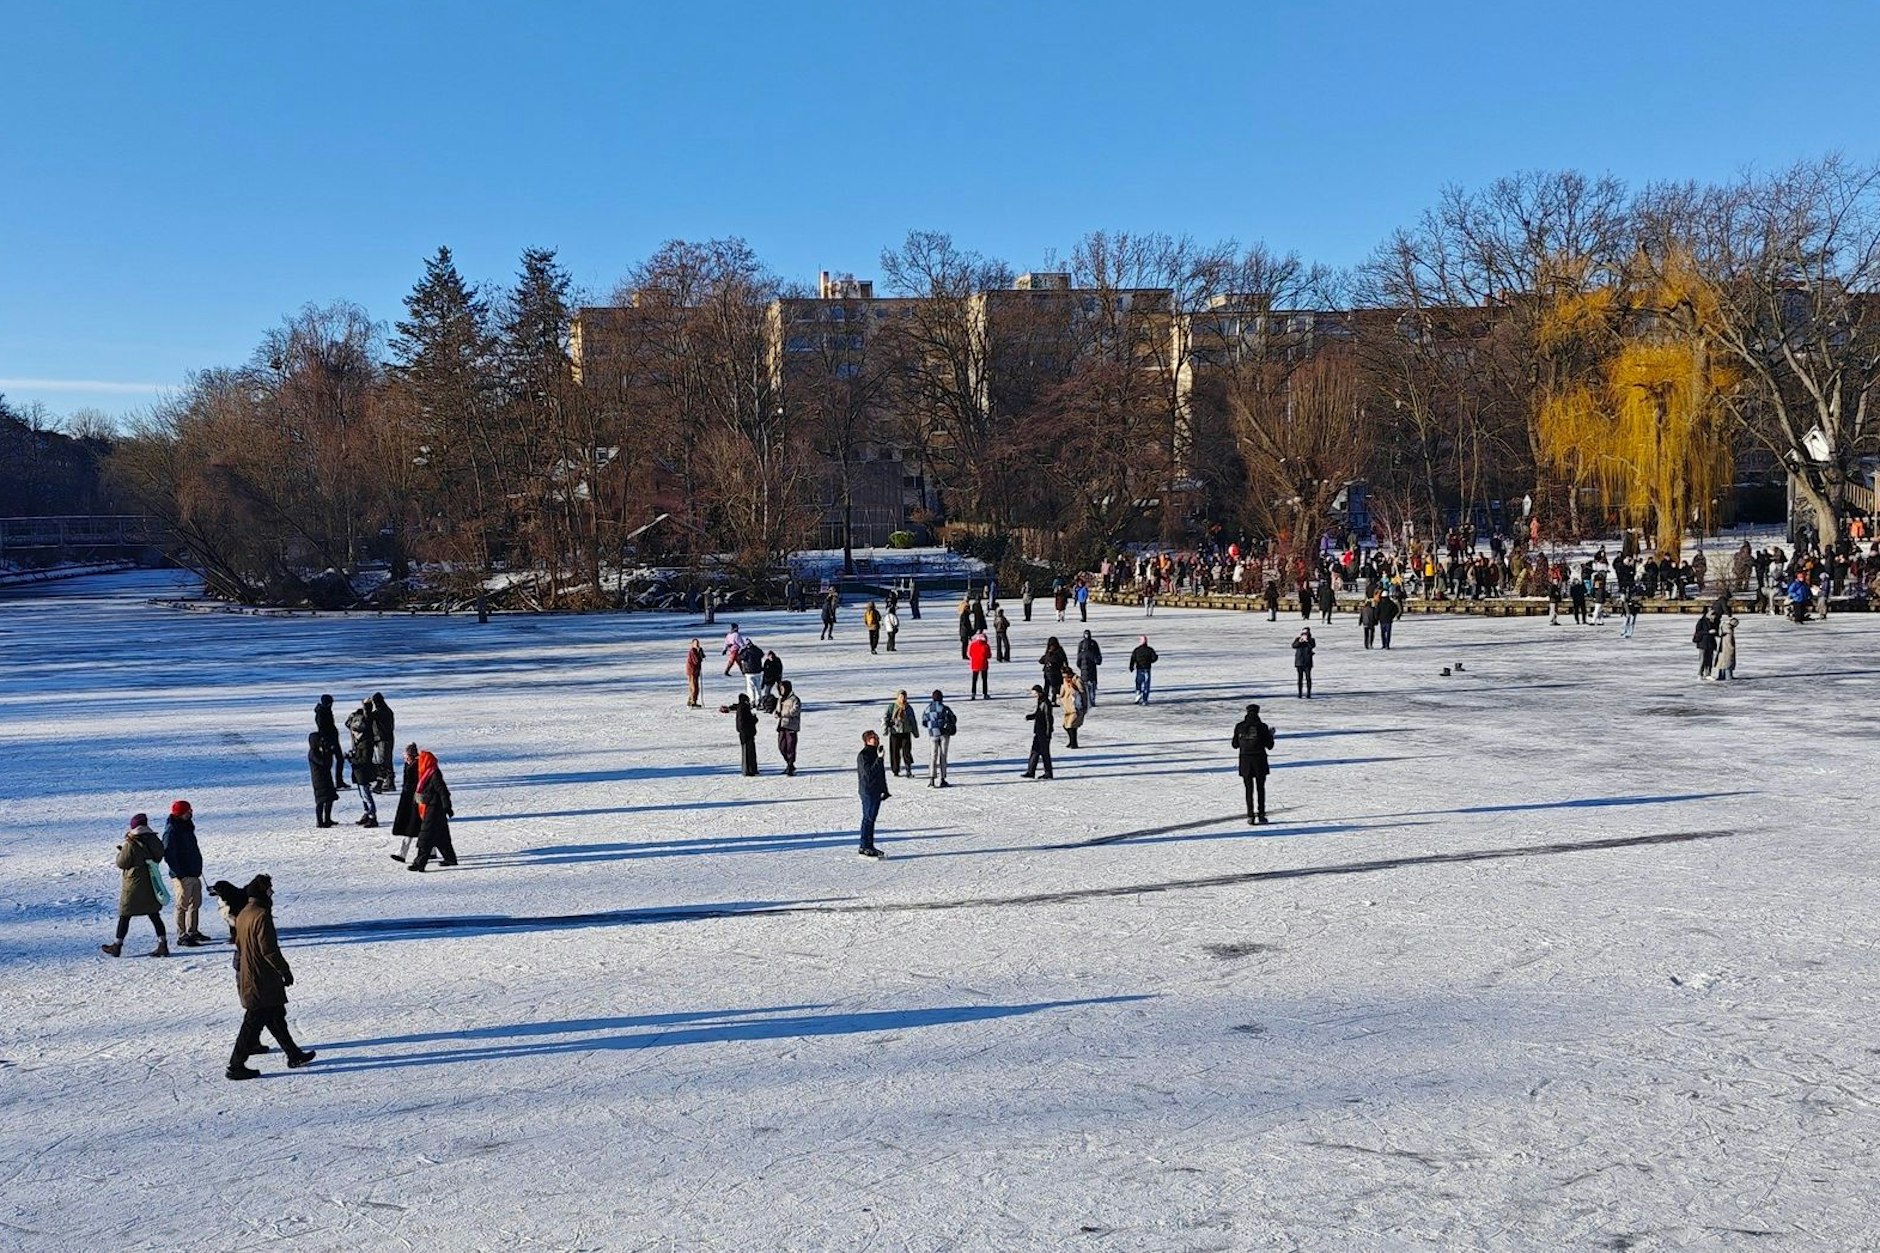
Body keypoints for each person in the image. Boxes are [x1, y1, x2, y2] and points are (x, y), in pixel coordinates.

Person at [224, 875, 315, 1080]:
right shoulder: (261, 915)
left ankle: (293, 1054)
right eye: (269, 891)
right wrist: (284, 970)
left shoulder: (244, 913)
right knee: (253, 1021)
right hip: (261, 977)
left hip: (251, 973)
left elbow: (240, 945)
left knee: (275, 1015)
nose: (272, 894)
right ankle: (235, 1065)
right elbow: (269, 949)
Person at [102, 814, 168, 957]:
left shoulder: (131, 842)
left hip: (134, 884)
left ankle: (117, 945)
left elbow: (122, 863)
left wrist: (122, 853)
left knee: (125, 914)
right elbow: (159, 856)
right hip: (151, 882)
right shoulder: (154, 839)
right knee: (154, 914)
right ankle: (163, 944)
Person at [162, 800, 209, 947]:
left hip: (194, 872)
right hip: (182, 875)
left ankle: (193, 931)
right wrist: (179, 873)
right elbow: (168, 853)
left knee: (195, 903)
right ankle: (182, 935)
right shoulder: (172, 829)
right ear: (181, 813)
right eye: (188, 811)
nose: (191, 813)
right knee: (182, 905)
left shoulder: (187, 826)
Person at [408, 750, 457, 871]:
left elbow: (443, 791)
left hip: (434, 809)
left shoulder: (434, 773)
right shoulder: (426, 773)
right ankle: (450, 858)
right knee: (442, 836)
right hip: (432, 807)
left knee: (426, 837)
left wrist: (447, 807)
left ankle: (419, 863)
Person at [1230, 703, 1275, 825]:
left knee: (1248, 790)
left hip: (1245, 761)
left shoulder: (1239, 726)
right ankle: (1261, 815)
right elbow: (1270, 746)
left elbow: (1234, 745)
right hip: (1259, 760)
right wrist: (1270, 735)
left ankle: (1250, 815)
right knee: (1261, 789)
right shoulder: (1262, 727)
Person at [855, 730, 889, 858]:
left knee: (871, 819)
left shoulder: (875, 753)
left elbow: (881, 774)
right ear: (867, 740)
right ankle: (864, 846)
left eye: (877, 737)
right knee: (868, 818)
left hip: (876, 790)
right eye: (873, 738)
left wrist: (885, 790)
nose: (877, 740)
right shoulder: (863, 755)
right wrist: (879, 759)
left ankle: (869, 845)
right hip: (868, 791)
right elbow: (869, 773)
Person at [346, 700, 379, 827]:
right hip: (358, 772)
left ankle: (372, 816)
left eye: (354, 732)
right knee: (362, 794)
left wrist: (351, 759)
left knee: (366, 795)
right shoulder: (359, 742)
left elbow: (364, 760)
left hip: (363, 772)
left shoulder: (365, 743)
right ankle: (367, 813)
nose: (352, 734)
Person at [389, 743, 422, 862]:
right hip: (408, 800)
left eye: (406, 756)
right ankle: (432, 850)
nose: (404, 758)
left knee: (412, 826)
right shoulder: (408, 765)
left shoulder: (417, 766)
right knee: (421, 826)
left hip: (415, 800)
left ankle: (402, 853)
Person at [718, 693, 761, 777]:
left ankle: (751, 769)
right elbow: (746, 721)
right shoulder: (744, 707)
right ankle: (748, 770)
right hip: (746, 732)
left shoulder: (741, 707)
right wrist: (754, 719)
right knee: (748, 752)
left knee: (749, 752)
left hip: (745, 732)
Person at [921, 689, 955, 787]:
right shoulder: (944, 708)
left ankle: (931, 779)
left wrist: (932, 726)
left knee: (933, 756)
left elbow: (924, 722)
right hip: (944, 734)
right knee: (943, 756)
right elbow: (952, 719)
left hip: (932, 735)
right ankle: (942, 779)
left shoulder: (927, 709)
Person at [883, 689, 920, 777]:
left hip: (906, 732)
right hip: (895, 733)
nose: (903, 698)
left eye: (904, 696)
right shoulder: (892, 706)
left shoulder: (908, 708)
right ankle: (895, 770)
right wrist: (887, 726)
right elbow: (886, 717)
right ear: (898, 697)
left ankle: (908, 770)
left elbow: (913, 720)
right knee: (895, 753)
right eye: (901, 696)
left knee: (907, 752)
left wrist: (915, 732)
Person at [1022, 685, 1055, 779]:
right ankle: (1030, 771)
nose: (1034, 695)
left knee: (1045, 753)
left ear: (1039, 692)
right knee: (1035, 751)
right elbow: (1039, 714)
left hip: (1044, 732)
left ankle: (1048, 773)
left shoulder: (1046, 702)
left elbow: (1048, 718)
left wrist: (1048, 732)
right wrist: (1031, 717)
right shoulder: (1041, 700)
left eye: (1035, 693)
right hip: (1038, 731)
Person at [307, 732, 338, 828]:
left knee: (329, 798)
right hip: (319, 779)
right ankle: (320, 821)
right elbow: (325, 763)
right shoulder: (313, 753)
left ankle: (327, 819)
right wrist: (328, 752)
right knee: (321, 800)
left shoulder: (319, 751)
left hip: (326, 777)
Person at [314, 694, 345, 790]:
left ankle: (339, 781)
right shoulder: (321, 713)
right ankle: (329, 783)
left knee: (340, 759)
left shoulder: (326, 710)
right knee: (329, 763)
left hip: (333, 739)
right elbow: (322, 729)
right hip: (328, 741)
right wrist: (328, 742)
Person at [775, 680, 802, 776]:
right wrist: (776, 714)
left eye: (782, 688)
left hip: (791, 726)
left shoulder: (795, 699)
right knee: (782, 746)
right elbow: (777, 710)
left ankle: (790, 765)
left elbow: (795, 711)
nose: (781, 690)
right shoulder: (780, 699)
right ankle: (789, 763)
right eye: (780, 688)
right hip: (782, 725)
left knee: (790, 746)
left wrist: (782, 714)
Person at [369, 694, 395, 792]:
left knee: (383, 762)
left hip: (383, 740)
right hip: (386, 739)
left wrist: (366, 708)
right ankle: (390, 782)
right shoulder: (387, 710)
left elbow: (369, 717)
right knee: (387, 761)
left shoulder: (381, 712)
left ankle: (380, 784)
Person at [1058, 671, 1087, 749]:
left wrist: (1084, 705)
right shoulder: (1065, 681)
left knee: (1071, 725)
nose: (1065, 678)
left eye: (1066, 676)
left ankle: (1074, 743)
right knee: (1066, 725)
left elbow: (1083, 693)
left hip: (1076, 706)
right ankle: (1072, 741)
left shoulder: (1077, 680)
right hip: (1068, 706)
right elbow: (1063, 690)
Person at [1128, 635, 1158, 705]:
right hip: (1147, 668)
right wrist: (1151, 660)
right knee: (1146, 685)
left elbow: (1133, 659)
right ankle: (1145, 700)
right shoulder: (1150, 649)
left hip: (1139, 669)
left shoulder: (1137, 650)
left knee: (1138, 683)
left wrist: (1131, 667)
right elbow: (1154, 658)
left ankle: (1138, 694)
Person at [1076, 630, 1102, 706]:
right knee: (1091, 684)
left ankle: (1087, 700)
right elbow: (1098, 657)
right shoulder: (1093, 646)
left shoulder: (1082, 650)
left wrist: (1081, 667)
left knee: (1086, 686)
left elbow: (1078, 661)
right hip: (1092, 670)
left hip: (1084, 672)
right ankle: (1091, 699)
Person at [1694, 609, 1719, 679]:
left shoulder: (1714, 622)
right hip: (1703, 643)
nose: (1714, 616)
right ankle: (1700, 674)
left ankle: (1708, 674)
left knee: (1710, 659)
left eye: (1715, 615)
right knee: (1702, 659)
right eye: (1713, 615)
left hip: (1711, 643)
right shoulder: (1701, 621)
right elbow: (1698, 632)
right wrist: (1708, 632)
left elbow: (1716, 632)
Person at [967, 629, 992, 700]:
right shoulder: (986, 646)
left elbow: (970, 654)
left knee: (974, 680)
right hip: (983, 664)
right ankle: (985, 693)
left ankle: (973, 693)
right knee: (984, 680)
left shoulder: (973, 645)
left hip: (975, 664)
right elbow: (989, 655)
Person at [1293, 627, 1316, 698]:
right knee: (1300, 678)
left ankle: (1308, 693)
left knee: (1308, 678)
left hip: (1307, 662)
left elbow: (1312, 646)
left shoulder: (1311, 640)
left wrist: (1307, 641)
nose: (1305, 634)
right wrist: (1300, 641)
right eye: (1303, 633)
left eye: (1306, 633)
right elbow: (1294, 646)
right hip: (1299, 661)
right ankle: (1300, 693)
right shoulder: (1297, 639)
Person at [1715, 616, 1739, 680]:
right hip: (1727, 649)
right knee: (1728, 662)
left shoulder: (1724, 628)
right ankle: (1728, 676)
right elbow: (1729, 641)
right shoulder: (1729, 631)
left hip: (1722, 649)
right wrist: (1732, 648)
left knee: (1722, 663)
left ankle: (1721, 675)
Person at [685, 638, 705, 708]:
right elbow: (696, 661)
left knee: (693, 686)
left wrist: (701, 654)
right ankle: (693, 702)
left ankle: (691, 701)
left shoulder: (695, 651)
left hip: (694, 671)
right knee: (694, 687)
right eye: (696, 643)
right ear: (692, 644)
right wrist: (700, 655)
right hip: (692, 671)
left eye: (698, 643)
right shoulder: (692, 651)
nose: (697, 645)